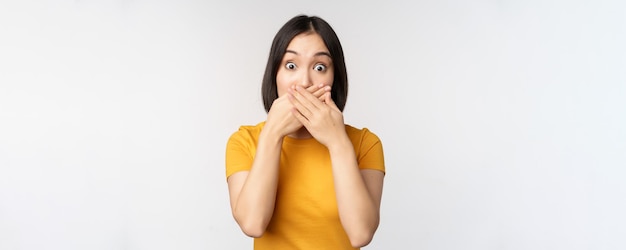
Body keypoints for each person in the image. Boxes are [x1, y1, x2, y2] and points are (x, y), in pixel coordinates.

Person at [225, 15, 385, 250]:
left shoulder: (365, 143)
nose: (304, 80)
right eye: (291, 65)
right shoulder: (244, 141)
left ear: (334, 78)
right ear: (275, 75)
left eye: (320, 67)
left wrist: (338, 142)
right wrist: (272, 134)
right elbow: (252, 224)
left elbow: (361, 234)